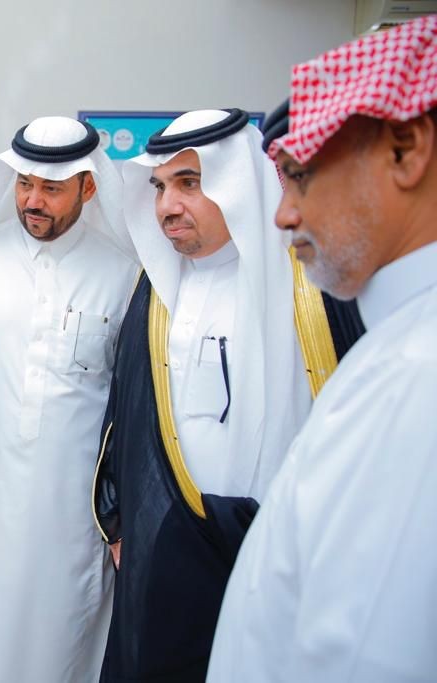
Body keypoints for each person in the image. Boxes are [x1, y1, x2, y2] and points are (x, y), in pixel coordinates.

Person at [93, 108, 363, 682]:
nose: (167, 207)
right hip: (170, 542)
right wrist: (120, 521)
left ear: (239, 183)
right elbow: (125, 413)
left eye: (189, 183)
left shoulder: (316, 291)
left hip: (284, 550)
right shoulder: (155, 291)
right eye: (159, 187)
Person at [208, 17, 437, 682]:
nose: (283, 214)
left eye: (301, 175)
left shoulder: (419, 380)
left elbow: (368, 654)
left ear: (405, 151)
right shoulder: (398, 339)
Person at [0, 116, 138, 682]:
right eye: (24, 184)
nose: (32, 201)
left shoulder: (121, 272)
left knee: (61, 625)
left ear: (88, 187)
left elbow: (127, 403)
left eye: (51, 188)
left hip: (74, 502)